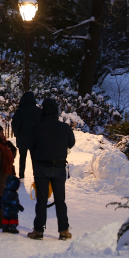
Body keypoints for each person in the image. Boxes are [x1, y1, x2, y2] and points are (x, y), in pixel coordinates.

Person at [27, 98, 75, 241]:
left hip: (41, 167)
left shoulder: (37, 127)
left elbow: (31, 145)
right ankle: (64, 231)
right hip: (59, 167)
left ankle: (38, 231)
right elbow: (71, 143)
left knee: (41, 200)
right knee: (60, 200)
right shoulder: (65, 128)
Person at [10, 91, 41, 180]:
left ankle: (21, 175)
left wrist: (17, 134)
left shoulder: (20, 111)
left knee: (22, 157)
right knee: (34, 158)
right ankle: (36, 175)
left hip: (22, 139)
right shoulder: (38, 111)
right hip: (35, 140)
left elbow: (15, 124)